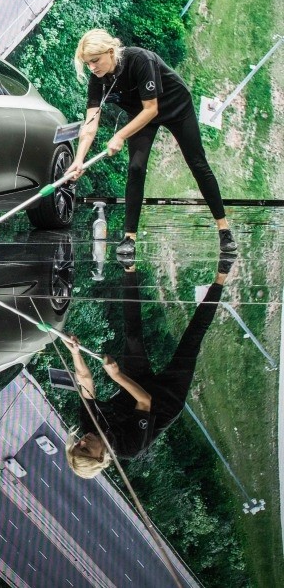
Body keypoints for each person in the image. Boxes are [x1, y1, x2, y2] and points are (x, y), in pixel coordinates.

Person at [69, 29, 236, 258]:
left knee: (197, 163)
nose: (92, 68)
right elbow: (90, 124)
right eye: (88, 64)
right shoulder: (98, 78)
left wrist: (119, 136)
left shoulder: (140, 59)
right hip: (140, 114)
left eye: (95, 61)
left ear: (110, 52)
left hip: (174, 106)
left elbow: (152, 109)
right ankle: (129, 237)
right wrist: (79, 161)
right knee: (136, 167)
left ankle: (224, 228)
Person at [63, 255, 233, 478]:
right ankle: (222, 274)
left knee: (132, 335)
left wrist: (75, 353)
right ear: (98, 458)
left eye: (78, 444)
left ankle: (129, 265)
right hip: (165, 401)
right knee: (191, 340)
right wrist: (117, 376)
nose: (83, 439)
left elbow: (85, 382)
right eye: (85, 448)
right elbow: (146, 401)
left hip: (134, 387)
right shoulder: (129, 448)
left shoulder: (88, 425)